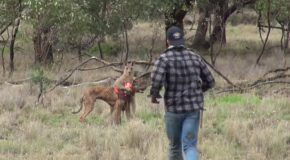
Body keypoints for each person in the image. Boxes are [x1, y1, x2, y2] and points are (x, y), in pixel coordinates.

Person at [149, 26, 215, 160]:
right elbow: (210, 81)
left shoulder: (164, 59)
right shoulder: (195, 57)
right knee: (189, 146)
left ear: (168, 41)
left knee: (175, 146)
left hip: (173, 110)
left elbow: (156, 80)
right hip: (193, 110)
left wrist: (154, 95)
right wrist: (198, 91)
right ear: (182, 40)